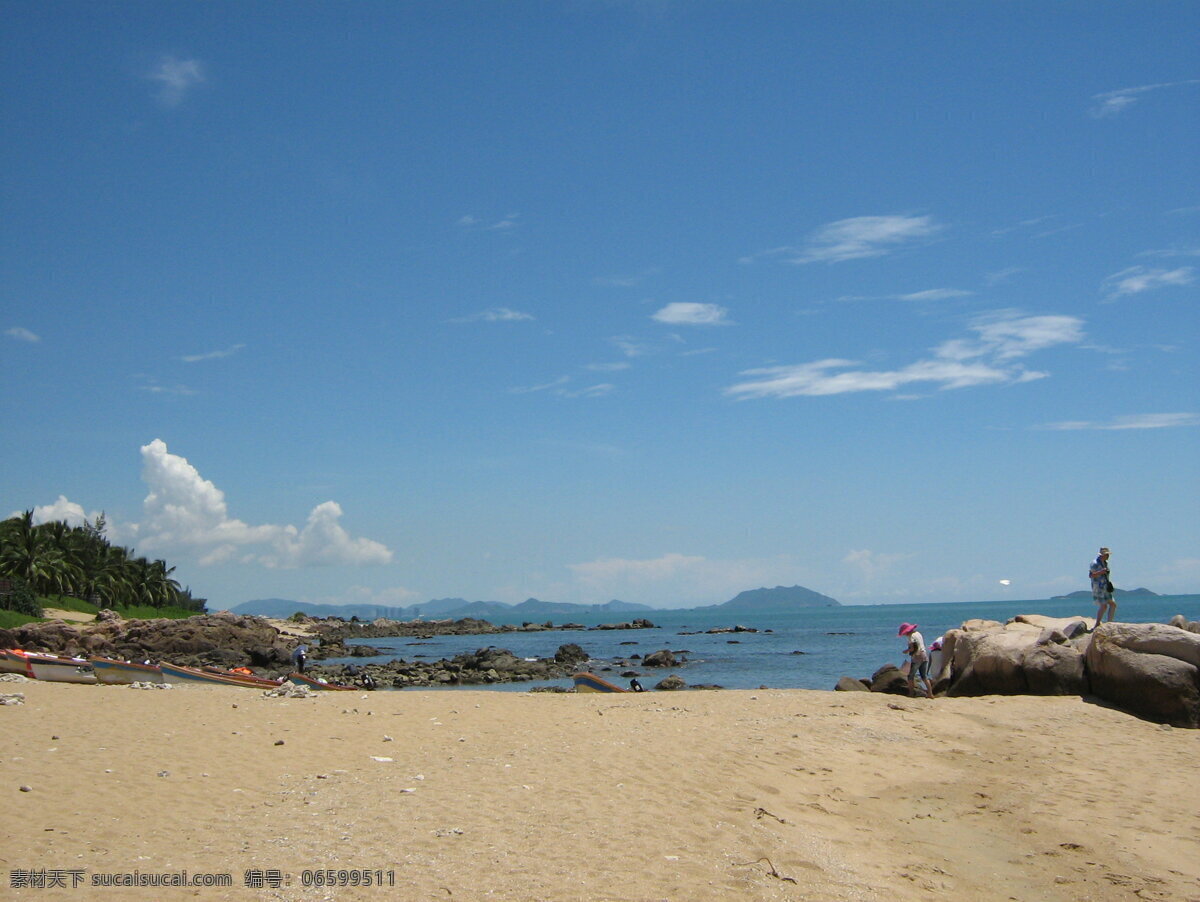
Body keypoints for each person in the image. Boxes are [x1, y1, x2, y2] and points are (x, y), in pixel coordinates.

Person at [898, 623, 934, 699]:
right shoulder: (918, 633)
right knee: (924, 676)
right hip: (924, 654)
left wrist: (906, 651)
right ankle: (930, 694)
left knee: (910, 676)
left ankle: (911, 693)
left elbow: (912, 648)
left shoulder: (911, 637)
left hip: (917, 656)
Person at [1090, 547, 1116, 626]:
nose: (1108, 556)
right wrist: (1100, 572)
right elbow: (1091, 575)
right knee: (1104, 605)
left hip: (1105, 586)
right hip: (1099, 587)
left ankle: (1109, 623)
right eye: (1106, 554)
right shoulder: (1094, 563)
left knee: (1113, 604)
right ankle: (1097, 623)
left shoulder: (1105, 563)